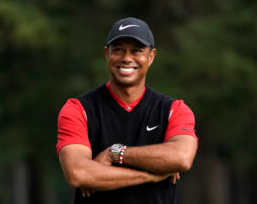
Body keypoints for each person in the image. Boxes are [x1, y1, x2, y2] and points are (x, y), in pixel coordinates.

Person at [56, 17, 198, 204]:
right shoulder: (78, 109)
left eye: (137, 50)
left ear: (151, 56)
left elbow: (181, 158)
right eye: (118, 50)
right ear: (107, 54)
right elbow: (78, 173)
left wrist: (114, 153)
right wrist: (152, 175)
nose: (127, 58)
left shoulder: (174, 110)